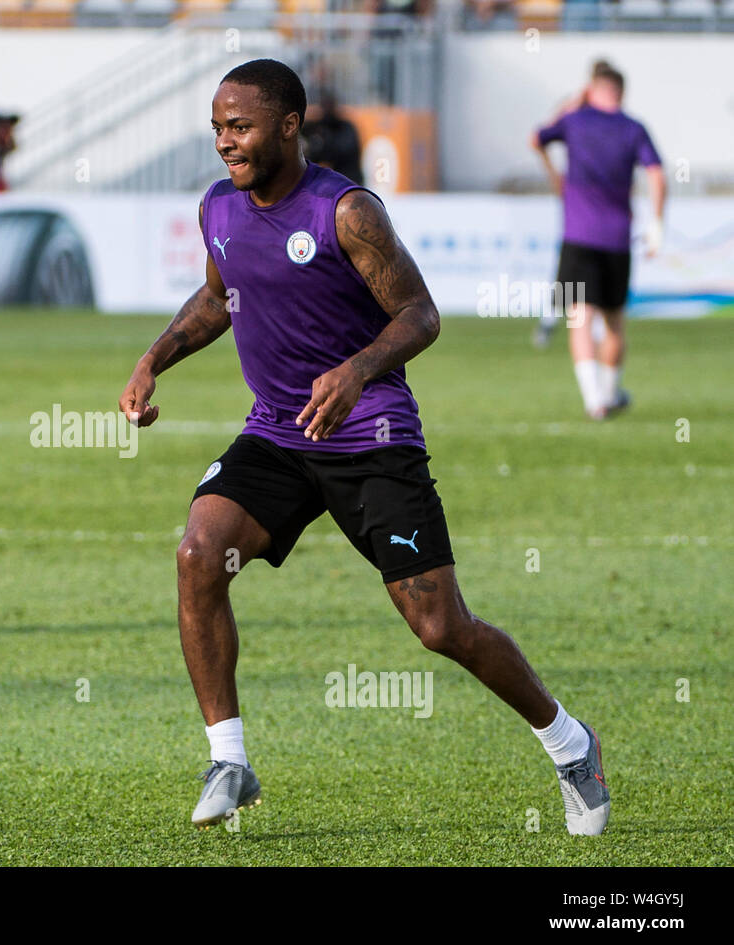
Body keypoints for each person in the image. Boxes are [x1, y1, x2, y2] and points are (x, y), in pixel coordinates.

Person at [118, 59, 609, 836]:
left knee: (441, 627)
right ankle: (229, 759)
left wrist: (355, 369)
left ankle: (568, 740)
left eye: (238, 126)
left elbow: (421, 314)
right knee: (197, 554)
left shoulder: (346, 212)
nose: (224, 143)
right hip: (279, 430)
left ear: (288, 125)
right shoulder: (219, 207)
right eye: (216, 128)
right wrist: (153, 359)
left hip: (370, 432)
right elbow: (218, 298)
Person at [531, 66, 665, 418]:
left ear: (593, 90)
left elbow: (537, 137)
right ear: (621, 92)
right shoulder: (634, 128)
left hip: (578, 235)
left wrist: (553, 173)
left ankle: (594, 401)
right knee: (615, 321)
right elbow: (657, 174)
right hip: (618, 239)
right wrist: (657, 224)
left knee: (580, 318)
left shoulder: (575, 120)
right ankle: (609, 392)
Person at [301, 88, 363, 185]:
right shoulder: (316, 127)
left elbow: (344, 150)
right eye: (325, 106)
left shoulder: (346, 127)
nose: (327, 111)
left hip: (346, 178)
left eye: (330, 106)